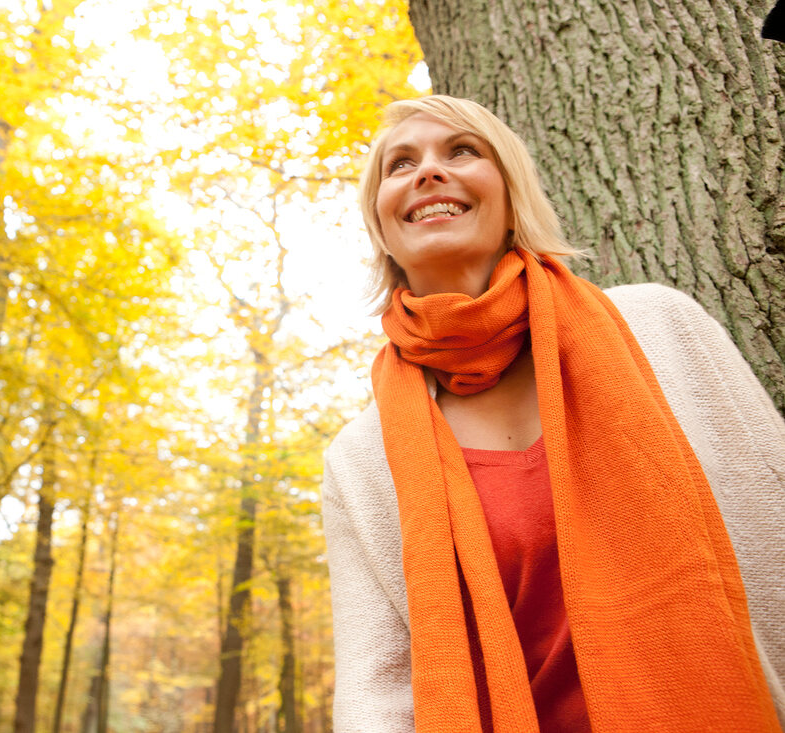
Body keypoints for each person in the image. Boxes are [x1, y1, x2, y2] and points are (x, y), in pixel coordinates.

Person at [321, 95, 785, 732]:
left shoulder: (660, 329)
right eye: (400, 165)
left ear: (511, 194)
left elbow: (775, 528)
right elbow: (376, 690)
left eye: (462, 151)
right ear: (382, 223)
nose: (428, 172)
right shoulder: (360, 459)